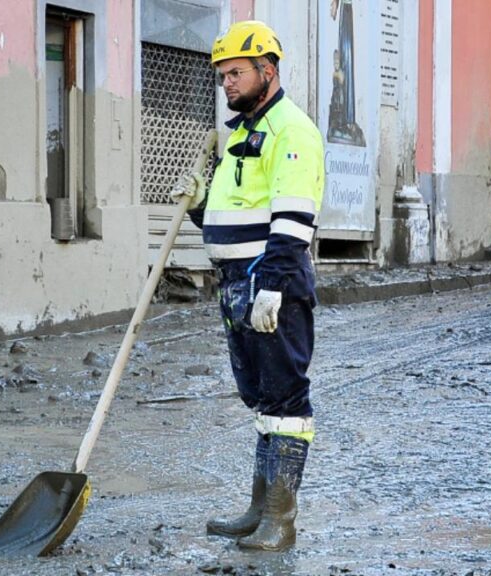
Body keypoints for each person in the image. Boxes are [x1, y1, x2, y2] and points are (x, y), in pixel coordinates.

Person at [171, 20, 325, 552]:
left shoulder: (292, 130)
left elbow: (293, 219)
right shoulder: (239, 133)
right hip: (235, 282)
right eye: (223, 76)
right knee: (260, 398)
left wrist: (273, 288)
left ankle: (280, 520)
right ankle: (259, 510)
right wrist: (199, 205)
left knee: (286, 399)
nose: (227, 83)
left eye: (236, 73)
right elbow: (232, 218)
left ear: (268, 69)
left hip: (270, 279)